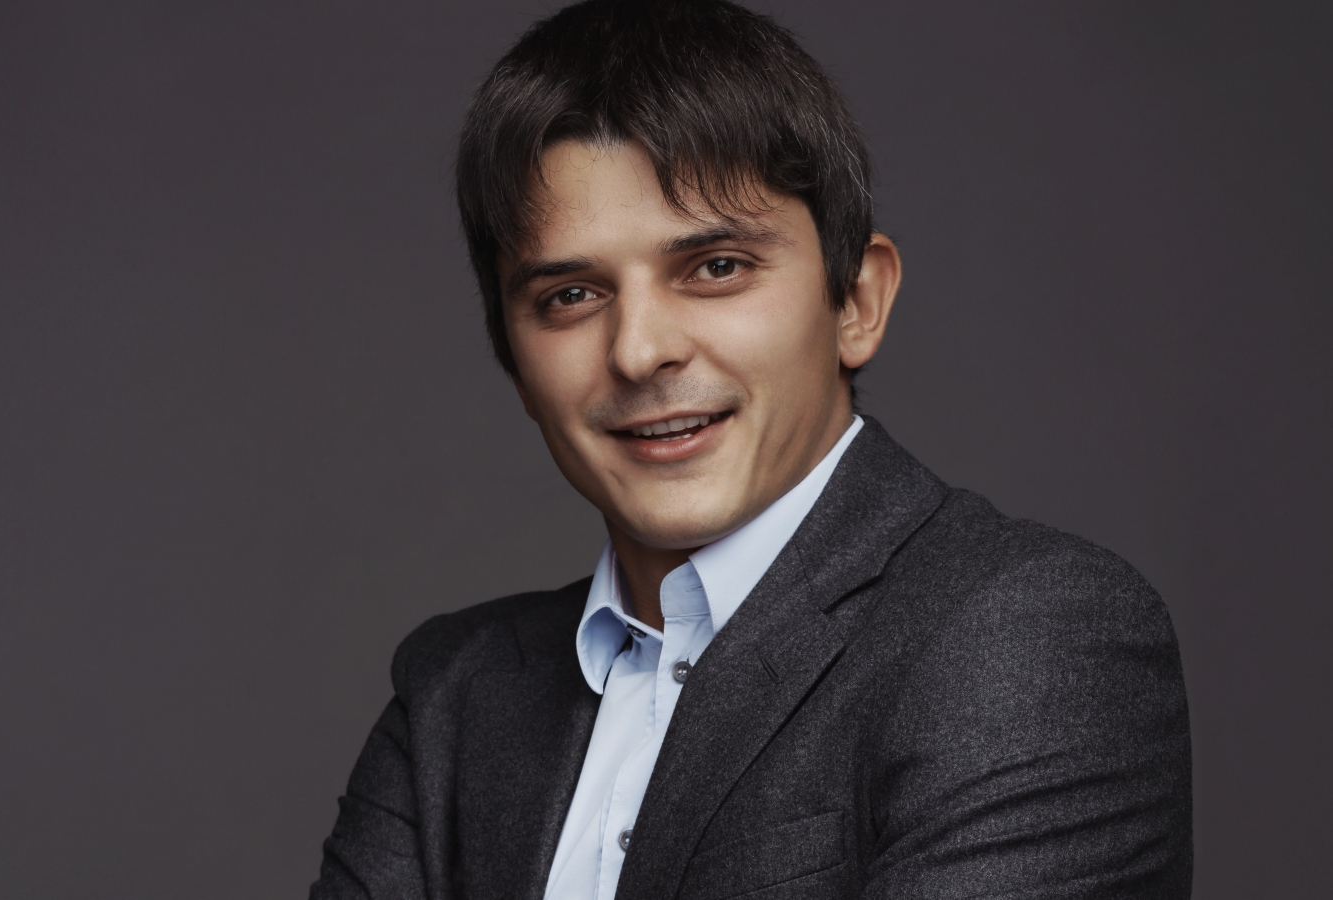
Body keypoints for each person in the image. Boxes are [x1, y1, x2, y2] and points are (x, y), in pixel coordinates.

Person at [310, 1, 1192, 897]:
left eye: (716, 267)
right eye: (571, 295)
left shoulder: (1028, 633)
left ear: (856, 302)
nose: (639, 351)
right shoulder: (455, 692)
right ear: (513, 359)